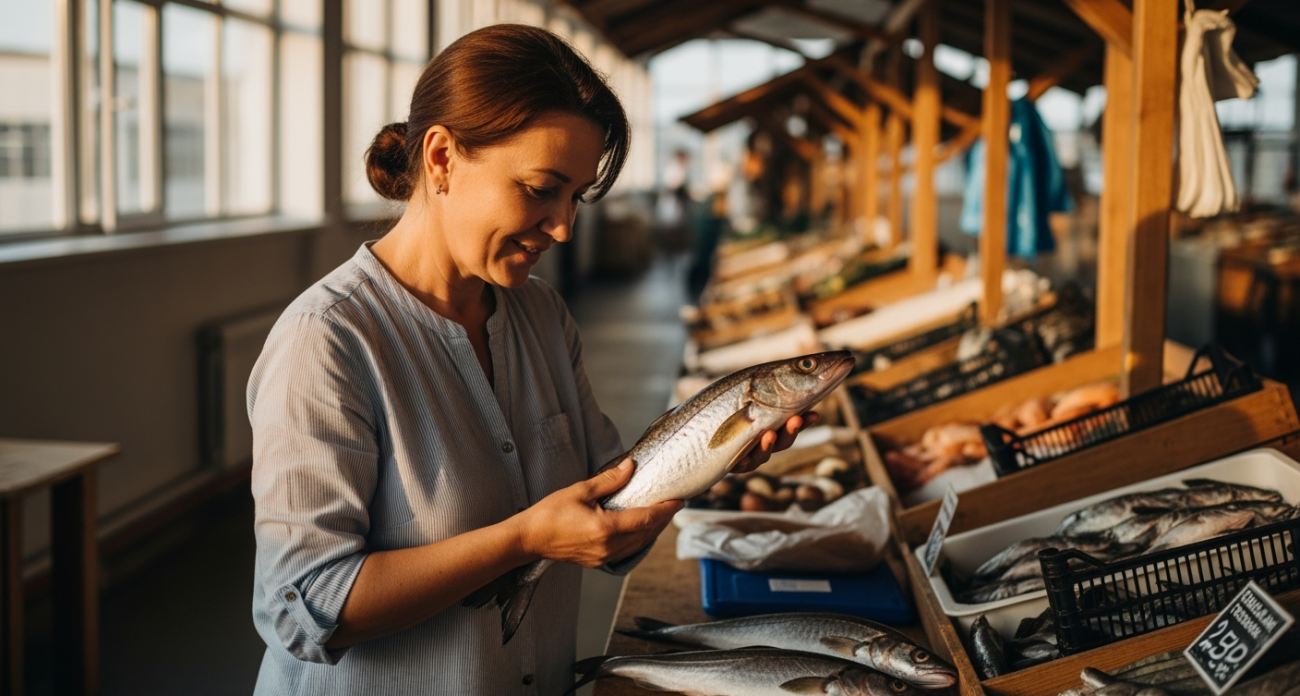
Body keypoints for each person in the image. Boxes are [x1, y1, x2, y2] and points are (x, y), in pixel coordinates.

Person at [247, 24, 815, 696]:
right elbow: (306, 606)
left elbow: (609, 499)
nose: (565, 227)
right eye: (542, 188)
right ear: (441, 159)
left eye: (575, 196)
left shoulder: (540, 316)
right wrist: (522, 542)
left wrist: (710, 459)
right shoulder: (329, 341)